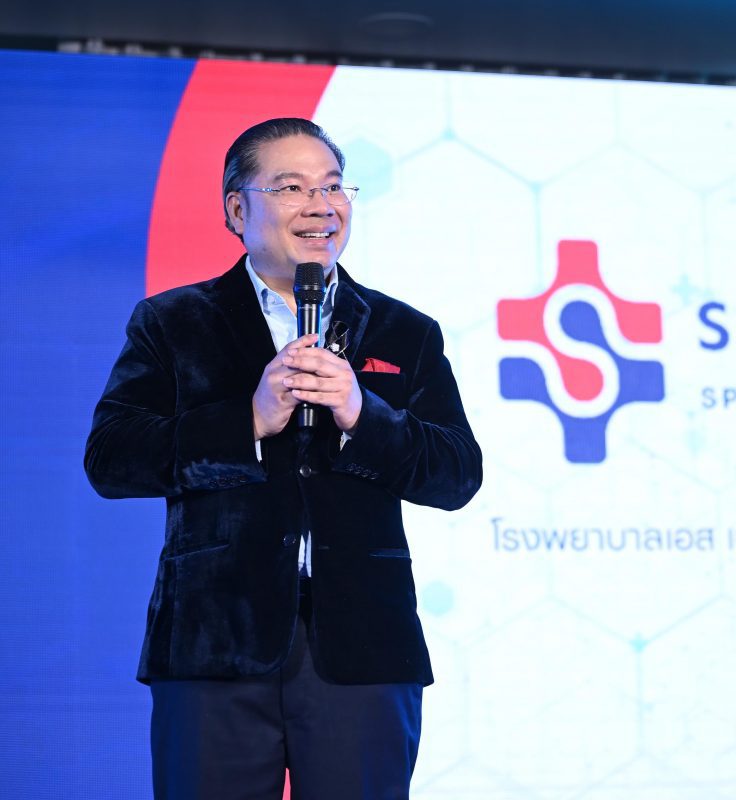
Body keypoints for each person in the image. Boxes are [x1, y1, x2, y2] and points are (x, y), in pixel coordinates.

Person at [84, 117, 482, 799]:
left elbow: (456, 474)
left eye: (333, 186)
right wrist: (247, 421)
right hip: (213, 646)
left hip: (364, 649)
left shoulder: (404, 331)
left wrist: (362, 414)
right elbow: (112, 458)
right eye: (292, 187)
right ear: (238, 210)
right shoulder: (173, 322)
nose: (321, 206)